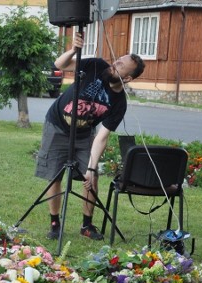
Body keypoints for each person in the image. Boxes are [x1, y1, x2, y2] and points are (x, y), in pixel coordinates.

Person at [36, 33, 144, 240]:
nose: (114, 66)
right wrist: (73, 49)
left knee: (91, 179)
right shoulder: (96, 65)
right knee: (55, 176)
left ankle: (86, 225)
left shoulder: (119, 103)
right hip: (57, 124)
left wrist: (92, 167)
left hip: (85, 134)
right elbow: (60, 64)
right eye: (116, 61)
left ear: (128, 78)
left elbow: (102, 137)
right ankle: (55, 223)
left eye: (120, 66)